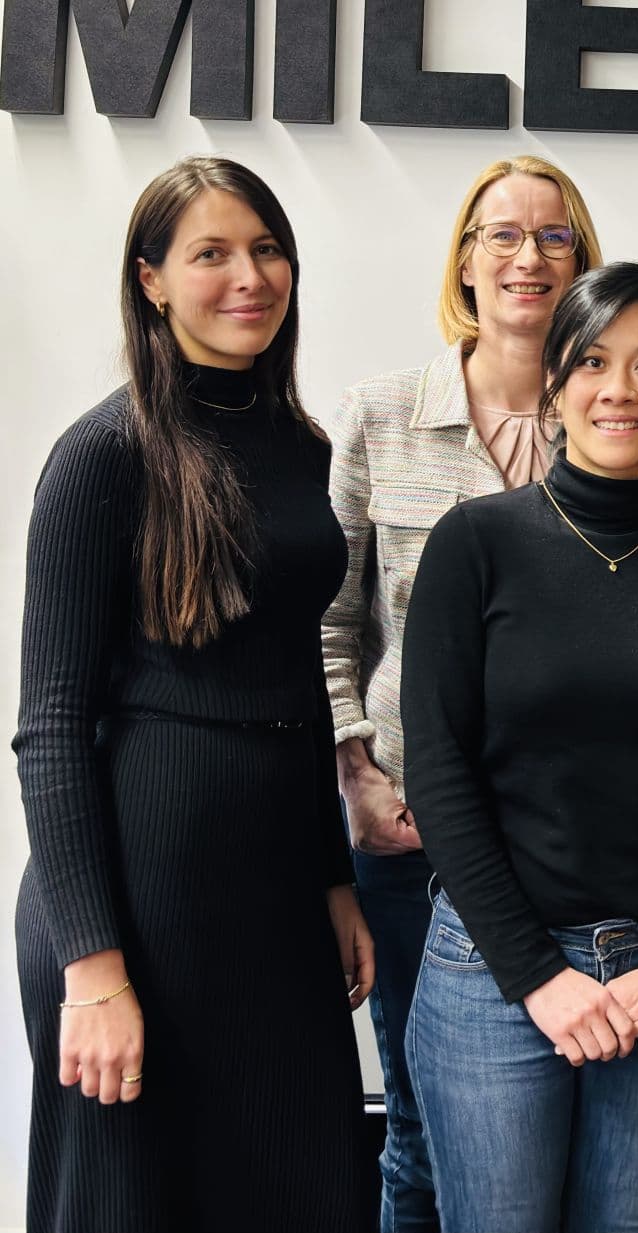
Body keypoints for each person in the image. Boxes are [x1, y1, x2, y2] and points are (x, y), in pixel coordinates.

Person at [13, 155, 374, 1231]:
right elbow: (49, 729)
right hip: (135, 902)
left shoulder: (306, 452)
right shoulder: (102, 456)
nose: (249, 276)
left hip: (270, 895)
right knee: (131, 1202)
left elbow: (301, 681)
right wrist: (93, 971)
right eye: (210, 253)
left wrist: (334, 879)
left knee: (304, 1189)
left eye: (266, 249)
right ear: (151, 281)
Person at [399, 261, 638, 1232]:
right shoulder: (474, 544)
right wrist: (536, 975)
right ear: (555, 380)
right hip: (491, 972)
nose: (620, 390)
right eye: (595, 362)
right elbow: (437, 771)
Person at [320, 153, 604, 1233]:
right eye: (502, 235)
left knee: (563, 1138)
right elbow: (330, 616)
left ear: (582, 260)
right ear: (465, 260)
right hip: (412, 837)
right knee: (424, 1136)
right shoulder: (383, 415)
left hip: (574, 844)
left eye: (554, 236)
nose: (527, 257)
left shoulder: (624, 420)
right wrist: (354, 767)